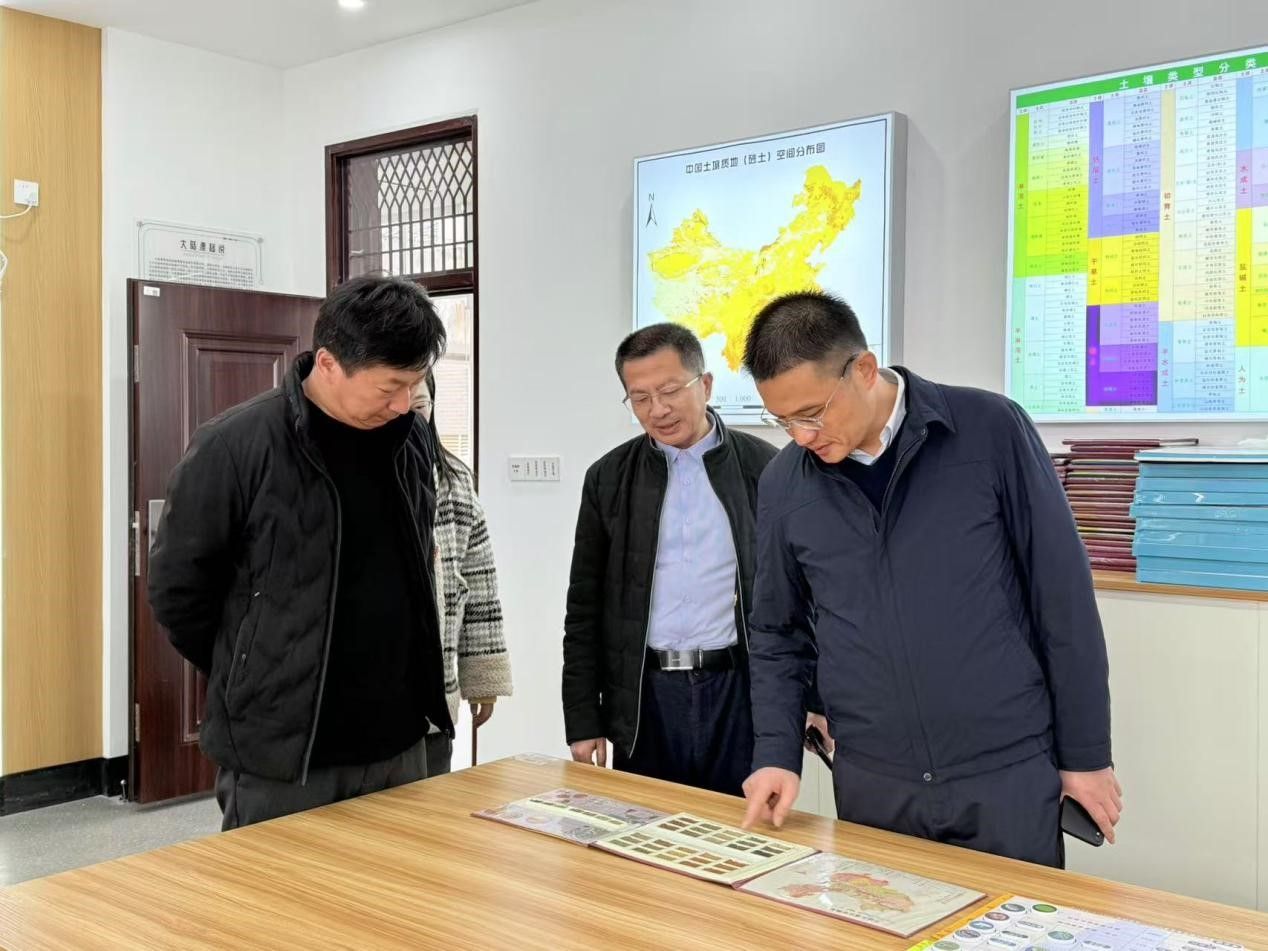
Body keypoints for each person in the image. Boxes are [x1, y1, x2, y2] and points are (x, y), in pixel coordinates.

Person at [739, 290, 1120, 868]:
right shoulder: (785, 484)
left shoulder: (989, 430)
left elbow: (1061, 598)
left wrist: (1086, 756)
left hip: (1005, 772)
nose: (801, 436)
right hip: (874, 780)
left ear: (864, 370)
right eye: (783, 420)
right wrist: (775, 752)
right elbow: (776, 632)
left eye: (812, 413)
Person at [148, 274, 451, 830]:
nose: (404, 403)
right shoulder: (235, 445)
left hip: (401, 743)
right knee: (272, 888)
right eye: (390, 387)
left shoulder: (409, 439)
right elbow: (178, 591)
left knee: (398, 887)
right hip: (285, 758)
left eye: (415, 384)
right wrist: (254, 666)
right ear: (329, 363)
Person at [562, 323, 780, 796]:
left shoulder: (766, 468)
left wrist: (812, 698)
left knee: (738, 832)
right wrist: (582, 718)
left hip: (737, 693)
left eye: (670, 391)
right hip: (646, 698)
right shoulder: (608, 478)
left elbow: (802, 598)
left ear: (706, 385)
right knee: (645, 829)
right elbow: (583, 608)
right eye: (640, 398)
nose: (657, 409)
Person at [411, 373, 513, 775]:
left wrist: (483, 679)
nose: (407, 416)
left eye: (420, 405)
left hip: (434, 705)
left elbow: (480, 584)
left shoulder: (454, 480)